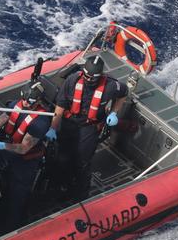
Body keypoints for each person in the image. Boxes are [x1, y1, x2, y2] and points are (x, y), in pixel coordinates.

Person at [50, 54, 127, 200]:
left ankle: (80, 194)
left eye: (92, 77)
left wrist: (114, 113)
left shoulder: (111, 86)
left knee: (82, 161)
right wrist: (53, 127)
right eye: (86, 76)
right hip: (69, 123)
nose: (88, 79)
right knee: (61, 157)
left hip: (89, 127)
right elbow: (60, 106)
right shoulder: (72, 81)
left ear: (100, 76)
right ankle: (59, 186)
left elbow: (123, 94)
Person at [0, 81, 57, 228]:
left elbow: (24, 148)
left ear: (38, 102)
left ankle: (12, 226)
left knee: (17, 193)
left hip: (24, 161)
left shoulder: (40, 121)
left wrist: (2, 146)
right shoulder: (16, 105)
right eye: (23, 99)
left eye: (29, 102)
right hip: (7, 149)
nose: (25, 103)